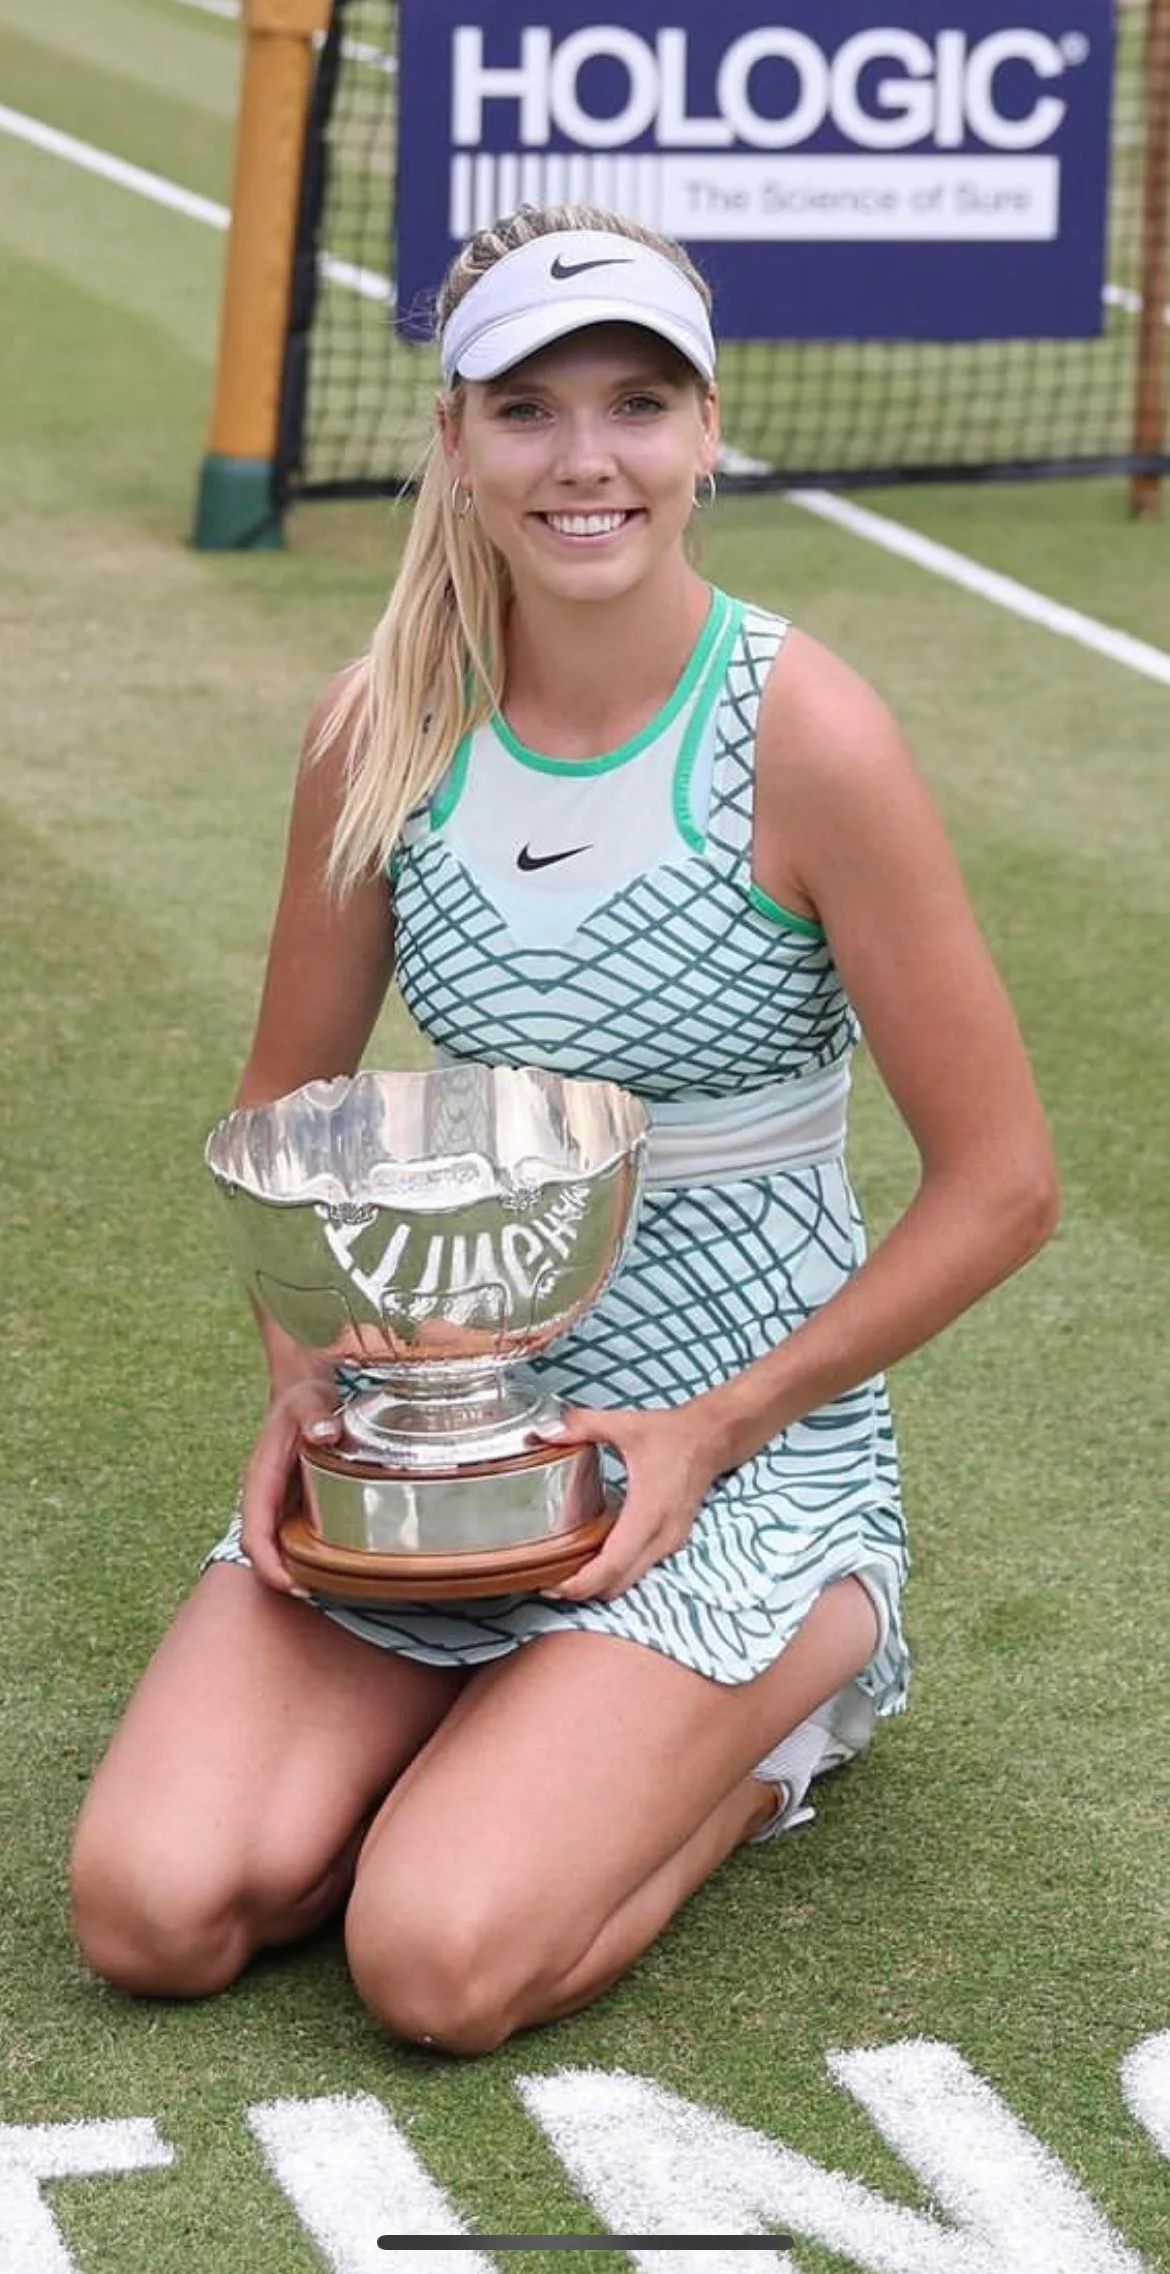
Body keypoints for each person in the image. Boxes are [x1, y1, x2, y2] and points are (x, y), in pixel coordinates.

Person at [71, 205, 1058, 2054]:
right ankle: (509, 1728)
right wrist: (302, 1384)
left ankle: (785, 1707)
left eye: (634, 405)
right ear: (453, 440)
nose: (583, 460)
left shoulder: (806, 735)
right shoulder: (380, 727)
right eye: (525, 410)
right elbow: (282, 1105)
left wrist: (709, 1432)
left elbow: (1002, 1187)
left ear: (705, 432)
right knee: (154, 1911)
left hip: (738, 1456)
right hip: (447, 1444)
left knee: (433, 1963)